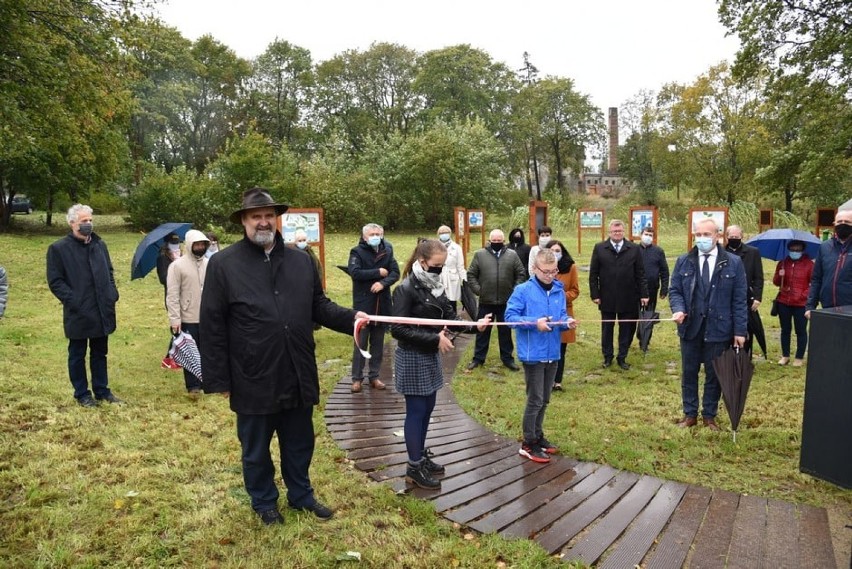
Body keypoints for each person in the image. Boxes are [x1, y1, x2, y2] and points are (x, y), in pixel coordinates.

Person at [200, 187, 364, 526]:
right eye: (256, 216)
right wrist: (220, 379)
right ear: (244, 221)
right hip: (252, 375)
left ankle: (301, 495)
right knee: (256, 448)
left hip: (296, 368)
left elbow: (318, 305)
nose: (263, 222)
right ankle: (264, 502)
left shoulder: (301, 261)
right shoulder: (223, 264)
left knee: (299, 442)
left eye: (269, 216)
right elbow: (212, 324)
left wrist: (354, 319)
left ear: (278, 220)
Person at [390, 239, 489, 489]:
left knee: (429, 406)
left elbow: (450, 316)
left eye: (443, 266)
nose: (440, 270)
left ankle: (420, 455)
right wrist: (435, 339)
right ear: (422, 262)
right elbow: (398, 329)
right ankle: (413, 466)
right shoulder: (405, 289)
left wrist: (474, 325)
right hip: (412, 355)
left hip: (429, 354)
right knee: (416, 410)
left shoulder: (435, 285)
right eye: (436, 265)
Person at [669, 218, 748, 431]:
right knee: (689, 371)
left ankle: (709, 415)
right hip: (691, 327)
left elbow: (739, 299)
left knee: (714, 374)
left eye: (707, 234)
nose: (702, 239)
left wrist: (740, 330)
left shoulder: (732, 262)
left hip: (719, 328)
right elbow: (675, 290)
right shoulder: (684, 261)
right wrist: (678, 309)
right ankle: (690, 413)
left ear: (717, 236)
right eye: (698, 235)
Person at [46, 204, 122, 407]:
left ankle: (102, 391)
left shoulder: (99, 245)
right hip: (78, 311)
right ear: (72, 223)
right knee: (77, 353)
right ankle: (82, 393)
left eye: (90, 220)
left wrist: (112, 293)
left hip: (102, 309)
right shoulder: (58, 249)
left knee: (100, 352)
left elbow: (110, 271)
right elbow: (55, 282)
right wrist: (74, 300)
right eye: (83, 221)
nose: (88, 224)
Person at [505, 249, 576, 463]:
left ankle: (538, 435)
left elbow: (561, 316)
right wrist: (535, 323)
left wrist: (566, 322)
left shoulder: (558, 290)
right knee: (534, 399)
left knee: (544, 399)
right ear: (535, 269)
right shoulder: (523, 290)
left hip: (552, 352)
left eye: (554, 271)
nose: (550, 276)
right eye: (546, 272)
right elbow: (510, 318)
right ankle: (528, 443)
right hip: (532, 354)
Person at [589, 219, 649, 370]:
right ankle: (607, 357)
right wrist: (595, 294)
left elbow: (640, 274)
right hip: (607, 296)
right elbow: (593, 274)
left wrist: (644, 294)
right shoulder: (600, 248)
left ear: (624, 232)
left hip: (628, 296)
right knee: (607, 328)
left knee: (626, 328)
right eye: (614, 231)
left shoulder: (634, 249)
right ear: (609, 232)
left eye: (620, 231)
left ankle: (622, 356)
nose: (617, 233)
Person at [348, 223, 400, 393]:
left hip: (382, 304)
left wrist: (382, 283)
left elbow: (395, 273)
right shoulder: (357, 252)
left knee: (378, 344)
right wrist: (377, 272)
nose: (376, 236)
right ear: (365, 237)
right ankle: (356, 378)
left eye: (378, 233)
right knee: (360, 343)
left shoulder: (388, 249)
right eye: (372, 234)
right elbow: (354, 272)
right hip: (364, 303)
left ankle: (374, 376)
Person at [465, 229, 526, 371]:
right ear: (489, 241)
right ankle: (478, 359)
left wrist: (514, 291)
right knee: (482, 331)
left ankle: (507, 359)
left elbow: (521, 274)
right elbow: (471, 274)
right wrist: (479, 291)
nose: (497, 243)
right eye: (494, 241)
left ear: (504, 241)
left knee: (505, 331)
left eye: (499, 241)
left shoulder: (512, 255)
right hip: (486, 301)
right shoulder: (479, 255)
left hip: (506, 301)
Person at [166, 229, 210, 395]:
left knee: (208, 351)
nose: (200, 247)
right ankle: (193, 386)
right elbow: (172, 294)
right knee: (191, 351)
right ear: (190, 245)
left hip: (207, 316)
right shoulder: (177, 266)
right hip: (187, 316)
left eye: (202, 244)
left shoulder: (209, 264)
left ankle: (207, 381)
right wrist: (175, 320)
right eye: (197, 244)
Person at [542, 240, 579, 392]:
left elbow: (575, 291)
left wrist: (560, 296)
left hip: (564, 312)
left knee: (560, 349)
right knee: (546, 346)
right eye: (552, 250)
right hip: (545, 313)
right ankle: (545, 380)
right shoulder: (542, 268)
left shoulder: (571, 267)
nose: (555, 253)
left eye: (558, 250)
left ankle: (557, 381)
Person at [772, 241, 813, 367]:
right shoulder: (783, 263)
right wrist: (780, 275)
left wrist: (803, 295)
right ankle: (785, 356)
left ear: (802, 250)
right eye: (792, 249)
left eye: (797, 249)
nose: (794, 251)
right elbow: (776, 282)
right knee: (785, 330)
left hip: (801, 304)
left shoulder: (809, 264)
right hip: (784, 302)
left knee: (801, 331)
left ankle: (799, 357)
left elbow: (814, 283)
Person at [725, 225, 764, 356]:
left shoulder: (753, 252)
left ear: (742, 236)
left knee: (747, 328)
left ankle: (745, 357)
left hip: (746, 298)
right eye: (731, 237)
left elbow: (759, 277)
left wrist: (757, 297)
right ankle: (728, 356)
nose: (734, 239)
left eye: (736, 237)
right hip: (726, 297)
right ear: (727, 237)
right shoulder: (721, 252)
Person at [806, 209, 852, 316]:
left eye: (847, 222)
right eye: (840, 222)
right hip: (828, 307)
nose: (843, 224)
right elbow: (816, 278)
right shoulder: (825, 247)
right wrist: (810, 306)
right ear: (834, 224)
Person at [158, 233, 183, 370]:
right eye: (173, 242)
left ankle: (177, 356)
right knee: (177, 326)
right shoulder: (162, 258)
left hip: (185, 295)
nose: (176, 244)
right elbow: (163, 279)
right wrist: (174, 266)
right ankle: (169, 358)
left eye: (178, 242)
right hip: (172, 295)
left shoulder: (182, 255)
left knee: (184, 326)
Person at [638, 226, 669, 313]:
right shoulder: (634, 250)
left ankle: (648, 326)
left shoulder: (658, 251)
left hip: (652, 288)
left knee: (649, 314)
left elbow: (664, 272)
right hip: (636, 288)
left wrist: (664, 289)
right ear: (641, 235)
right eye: (646, 234)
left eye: (650, 235)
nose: (647, 237)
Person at [436, 225, 466, 312]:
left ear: (450, 234)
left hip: (452, 278)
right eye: (441, 233)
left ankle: (453, 324)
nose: (444, 234)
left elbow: (460, 266)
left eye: (446, 233)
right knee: (439, 302)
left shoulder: (456, 248)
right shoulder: (434, 247)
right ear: (438, 234)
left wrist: (464, 280)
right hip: (439, 277)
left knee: (451, 303)